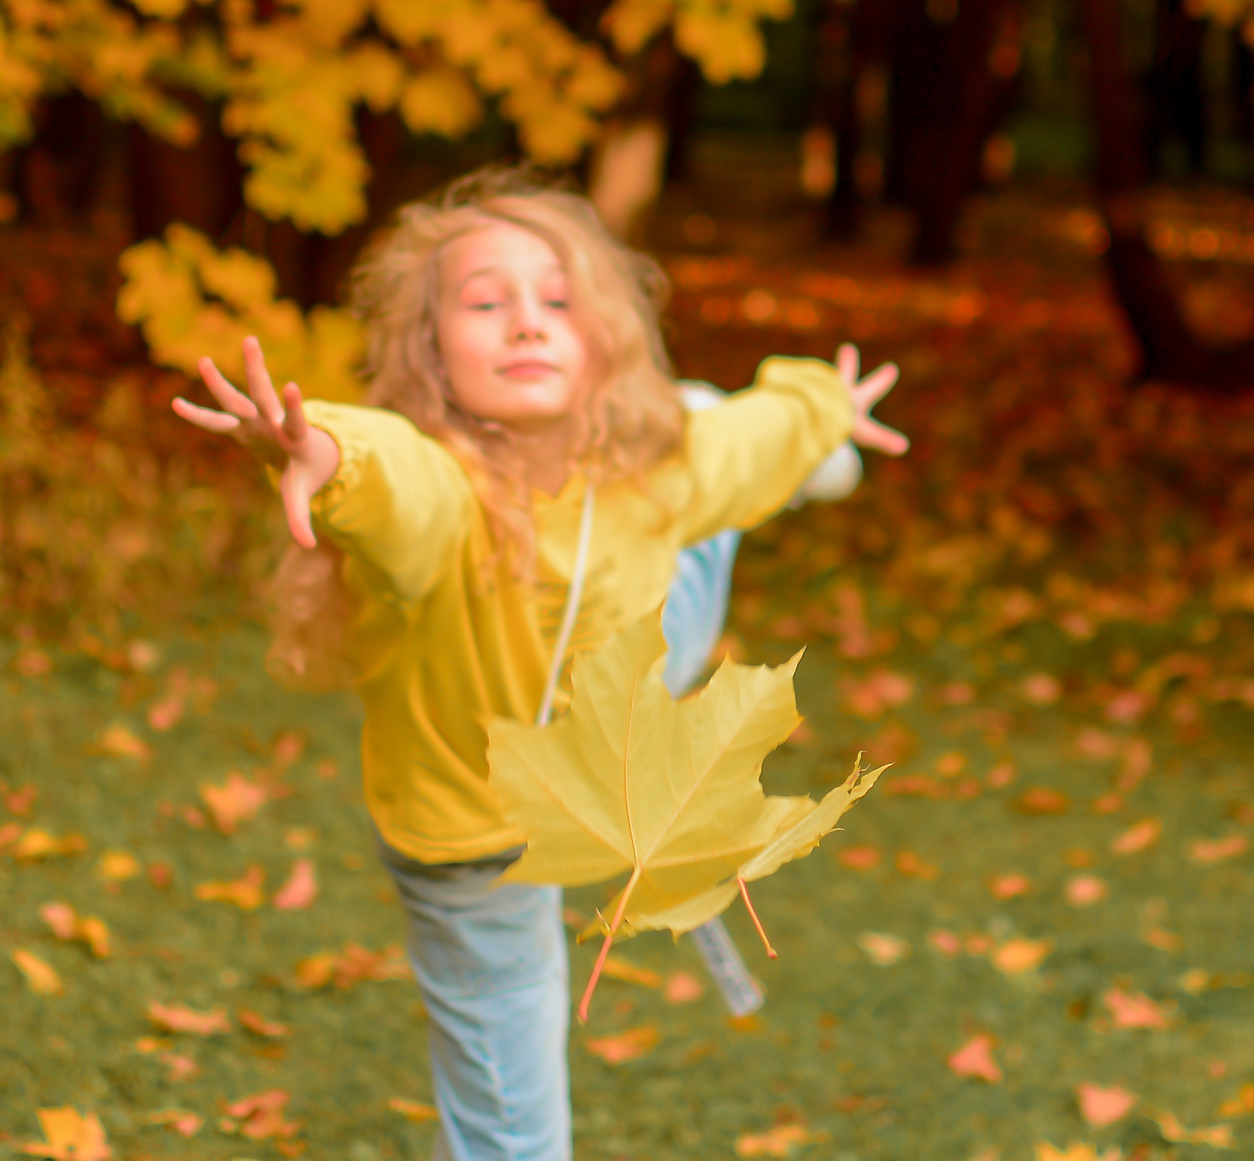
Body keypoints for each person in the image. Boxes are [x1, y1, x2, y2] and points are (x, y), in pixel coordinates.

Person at [172, 169, 906, 1161]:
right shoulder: (444, 495)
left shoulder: (651, 474)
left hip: (626, 671)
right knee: (511, 1132)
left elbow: (751, 440)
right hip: (476, 841)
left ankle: (689, 414)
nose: (524, 321)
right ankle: (694, 425)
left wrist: (825, 405)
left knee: (708, 473)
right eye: (484, 303)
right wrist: (320, 453)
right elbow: (390, 473)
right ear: (431, 357)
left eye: (557, 302)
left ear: (604, 337)